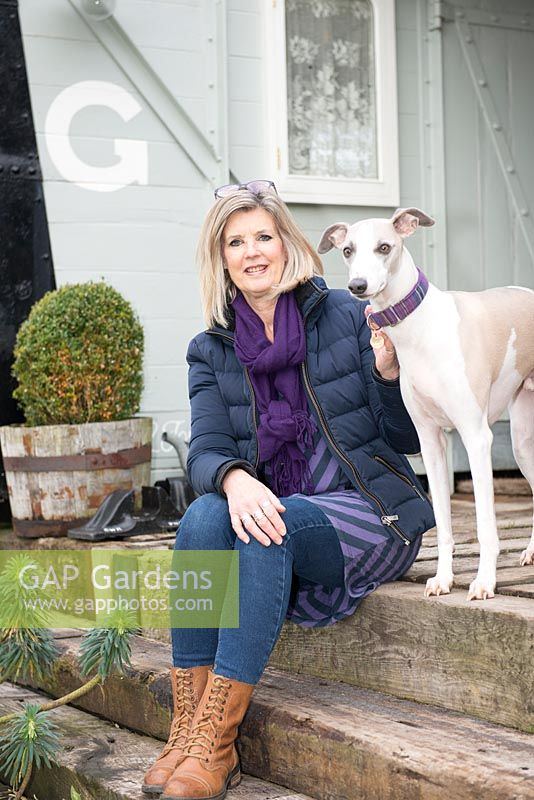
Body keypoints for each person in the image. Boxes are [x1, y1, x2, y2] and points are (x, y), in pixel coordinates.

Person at [142, 180, 435, 800]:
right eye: (235, 241)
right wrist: (235, 477)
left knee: (264, 529)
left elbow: (407, 437)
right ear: (221, 258)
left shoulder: (349, 316)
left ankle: (218, 746)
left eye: (263, 237)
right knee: (201, 519)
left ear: (287, 244)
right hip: (279, 508)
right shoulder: (210, 349)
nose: (252, 252)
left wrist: (388, 376)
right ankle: (192, 732)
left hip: (368, 510)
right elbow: (207, 449)